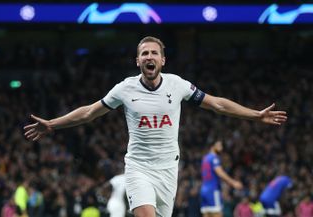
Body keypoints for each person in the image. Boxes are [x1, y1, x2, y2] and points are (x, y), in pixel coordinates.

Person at [24, 36, 287, 217]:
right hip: (138, 167)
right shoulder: (125, 89)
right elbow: (90, 112)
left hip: (168, 169)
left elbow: (217, 104)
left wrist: (255, 116)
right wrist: (53, 125)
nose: (149, 57)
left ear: (163, 60)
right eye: (144, 53)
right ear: (137, 61)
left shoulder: (178, 85)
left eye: (154, 53)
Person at [200, 140, 243, 217]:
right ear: (212, 146)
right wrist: (233, 182)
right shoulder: (214, 158)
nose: (221, 148)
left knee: (206, 214)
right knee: (217, 214)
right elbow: (220, 173)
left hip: (204, 190)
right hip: (212, 190)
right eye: (219, 145)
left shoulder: (205, 158)